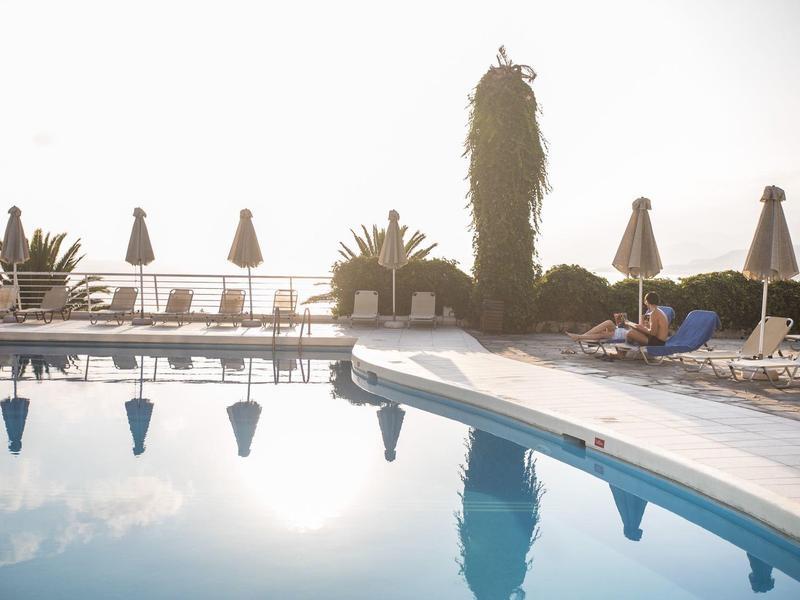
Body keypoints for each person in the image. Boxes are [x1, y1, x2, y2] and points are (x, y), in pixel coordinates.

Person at [566, 291, 669, 346]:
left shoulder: (655, 313)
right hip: (649, 338)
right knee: (609, 322)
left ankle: (579, 337)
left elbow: (652, 333)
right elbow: (645, 329)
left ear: (646, 301)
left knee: (606, 334)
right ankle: (582, 336)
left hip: (656, 342)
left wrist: (630, 323)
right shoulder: (652, 312)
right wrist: (639, 322)